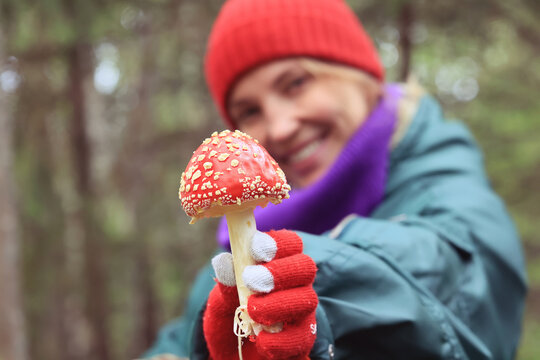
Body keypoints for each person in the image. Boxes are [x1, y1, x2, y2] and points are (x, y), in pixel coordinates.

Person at [143, 0, 527, 359]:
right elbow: (176, 341)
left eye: (295, 83)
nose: (280, 127)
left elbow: (458, 281)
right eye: (249, 111)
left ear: (357, 74)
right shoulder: (227, 257)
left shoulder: (444, 181)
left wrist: (314, 300)